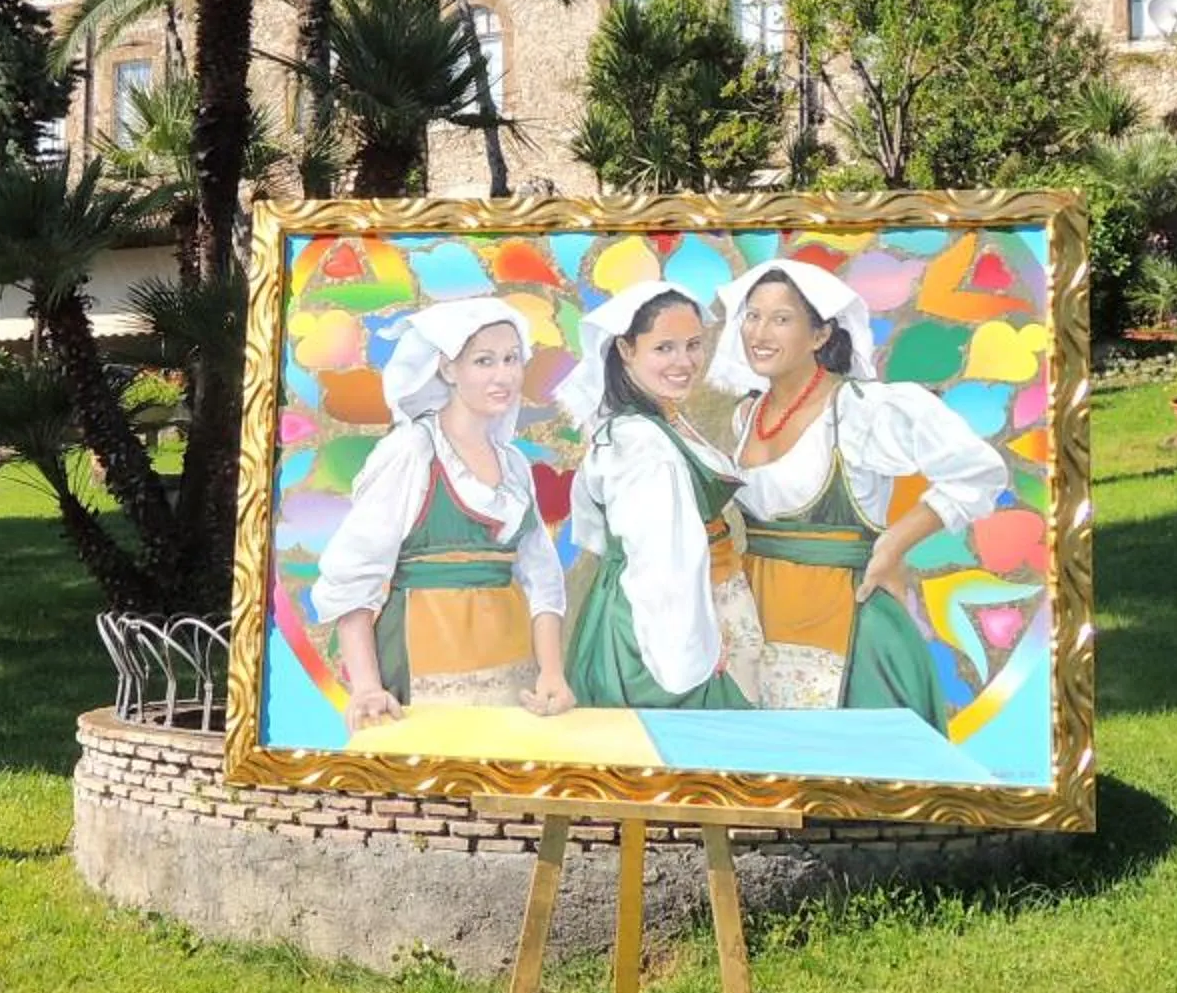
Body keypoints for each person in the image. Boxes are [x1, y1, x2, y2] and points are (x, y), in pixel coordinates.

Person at [709, 259, 1008, 725]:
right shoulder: (746, 417)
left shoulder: (861, 411)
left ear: (820, 335)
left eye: (781, 319)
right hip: (756, 620)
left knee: (840, 759)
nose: (760, 333)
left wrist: (894, 543)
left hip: (844, 622)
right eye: (753, 316)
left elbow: (978, 471)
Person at [309, 299, 573, 732]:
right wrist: (367, 687)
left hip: (513, 665)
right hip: (426, 656)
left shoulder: (512, 464)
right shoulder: (412, 451)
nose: (503, 375)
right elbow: (353, 573)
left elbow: (542, 577)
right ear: (448, 368)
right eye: (484, 361)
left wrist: (551, 672)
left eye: (511, 359)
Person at [560, 282, 753, 711]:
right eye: (664, 348)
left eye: (693, 345)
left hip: (691, 600)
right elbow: (660, 563)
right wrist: (691, 650)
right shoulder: (641, 442)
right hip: (661, 626)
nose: (684, 362)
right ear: (626, 349)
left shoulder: (657, 420)